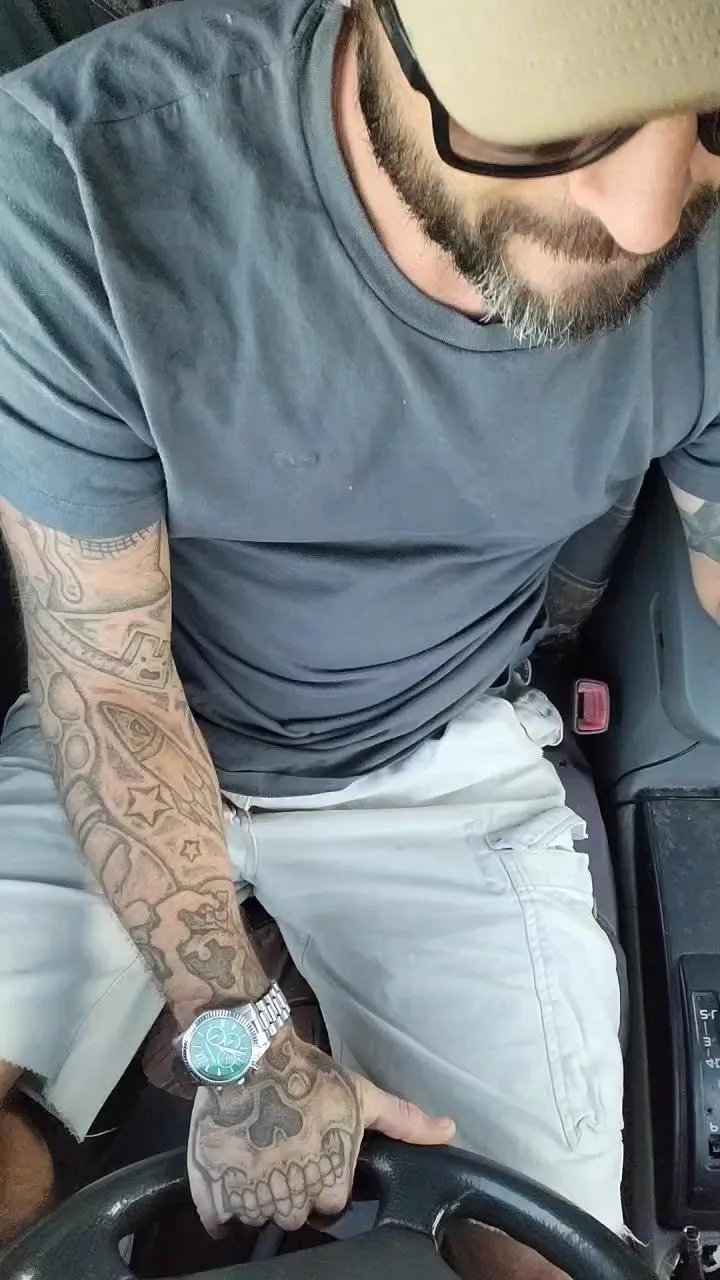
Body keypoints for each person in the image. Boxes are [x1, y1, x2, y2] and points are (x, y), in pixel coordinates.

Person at [1, 0, 720, 1274]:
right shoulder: (78, 181)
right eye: (554, 124)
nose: (651, 219)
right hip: (127, 728)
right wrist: (239, 1040)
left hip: (437, 752)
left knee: (547, 1253)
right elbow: (106, 684)